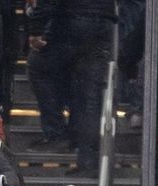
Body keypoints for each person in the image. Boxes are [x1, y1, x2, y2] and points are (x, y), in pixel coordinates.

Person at [26, 0, 116, 175]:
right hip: (103, 22)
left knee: (38, 66)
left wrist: (36, 29)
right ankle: (87, 160)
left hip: (71, 20)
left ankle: (56, 132)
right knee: (88, 94)